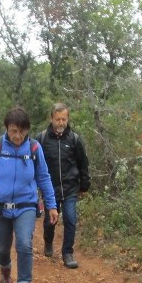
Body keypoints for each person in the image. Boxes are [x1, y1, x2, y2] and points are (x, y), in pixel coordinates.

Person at [0, 106, 58, 283]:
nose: (18, 136)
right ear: (6, 128)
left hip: (26, 206)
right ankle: (5, 270)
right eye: (13, 130)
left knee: (24, 243)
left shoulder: (35, 149)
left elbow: (44, 178)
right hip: (0, 207)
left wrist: (51, 205)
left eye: (22, 131)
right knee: (3, 248)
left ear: (28, 130)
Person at [36, 102, 91, 269]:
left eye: (64, 119)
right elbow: (34, 162)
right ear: (51, 118)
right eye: (58, 119)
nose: (61, 123)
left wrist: (84, 185)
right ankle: (48, 242)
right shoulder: (42, 138)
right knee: (49, 220)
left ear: (67, 119)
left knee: (70, 219)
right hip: (49, 188)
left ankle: (67, 252)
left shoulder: (74, 139)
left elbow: (83, 163)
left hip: (70, 187)